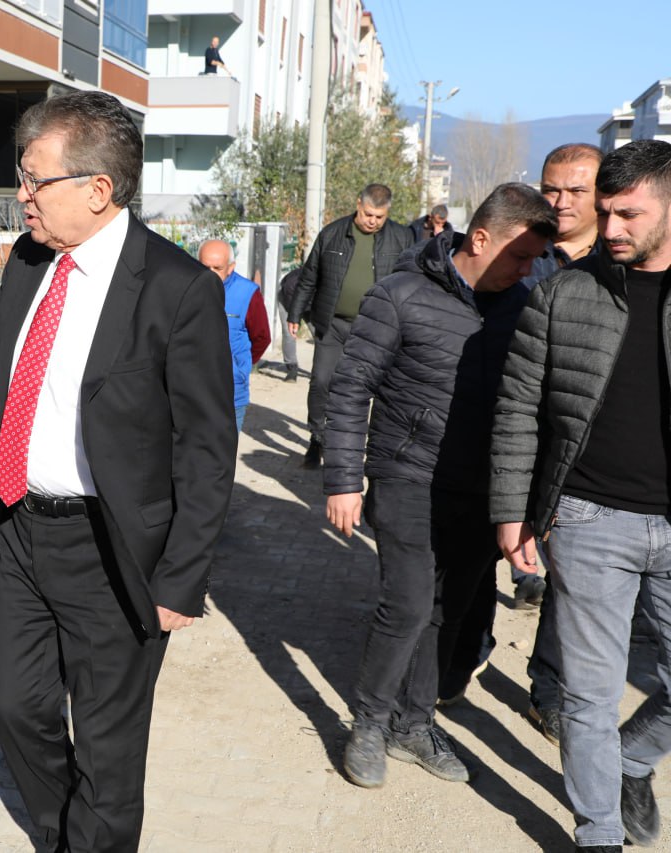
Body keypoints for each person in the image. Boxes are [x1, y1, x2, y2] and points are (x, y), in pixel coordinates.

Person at [0, 91, 236, 852]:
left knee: (108, 749)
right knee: (20, 712)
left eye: (35, 181)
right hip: (24, 531)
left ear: (98, 190)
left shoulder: (176, 289)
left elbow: (207, 445)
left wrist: (180, 578)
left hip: (115, 551)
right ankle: (64, 838)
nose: (19, 196)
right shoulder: (30, 262)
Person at [324, 183, 555, 789]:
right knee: (405, 604)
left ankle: (414, 722)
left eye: (534, 260)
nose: (527, 269)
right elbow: (349, 390)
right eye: (519, 256)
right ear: (479, 238)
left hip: (485, 488)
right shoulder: (399, 294)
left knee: (447, 612)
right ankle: (369, 724)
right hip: (407, 475)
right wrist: (345, 479)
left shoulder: (525, 305)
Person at [490, 139, 671, 852]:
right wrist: (512, 511)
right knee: (590, 697)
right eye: (606, 212)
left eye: (629, 213)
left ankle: (631, 761)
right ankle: (598, 834)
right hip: (588, 519)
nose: (612, 227)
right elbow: (516, 409)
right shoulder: (565, 291)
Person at [438, 144, 604, 743]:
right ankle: (463, 652)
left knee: (569, 571)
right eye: (550, 188)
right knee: (484, 551)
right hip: (501, 435)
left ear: (600, 194)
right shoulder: (522, 253)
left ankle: (549, 690)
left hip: (577, 448)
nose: (559, 202)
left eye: (574, 192)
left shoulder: (615, 261)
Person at [288, 183, 412, 468]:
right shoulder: (332, 234)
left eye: (380, 217)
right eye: (369, 214)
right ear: (359, 204)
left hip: (376, 329)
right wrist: (294, 314)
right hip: (332, 325)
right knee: (321, 381)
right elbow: (309, 277)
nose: (373, 221)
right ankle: (317, 437)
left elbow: (412, 281)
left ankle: (364, 447)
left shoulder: (402, 238)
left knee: (369, 388)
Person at [199, 239, 271, 429]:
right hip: (192, 392)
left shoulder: (247, 294)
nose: (211, 274)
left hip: (231, 393)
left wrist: (240, 366)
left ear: (230, 267)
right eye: (205, 267)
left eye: (217, 268)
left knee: (223, 455)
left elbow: (261, 338)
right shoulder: (184, 288)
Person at [275, 266, 302, 381]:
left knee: (319, 333)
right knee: (289, 332)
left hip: (311, 304)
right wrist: (294, 319)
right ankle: (292, 368)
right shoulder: (292, 283)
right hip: (287, 299)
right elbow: (289, 297)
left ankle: (323, 369)